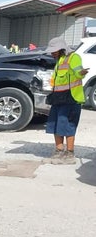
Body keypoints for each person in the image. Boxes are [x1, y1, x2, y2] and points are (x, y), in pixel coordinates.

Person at [45, 36, 89, 164]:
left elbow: (77, 72)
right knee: (55, 125)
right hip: (58, 97)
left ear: (62, 49)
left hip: (71, 98)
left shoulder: (73, 58)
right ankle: (59, 151)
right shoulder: (60, 60)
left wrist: (81, 73)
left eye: (54, 50)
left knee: (68, 125)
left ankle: (69, 154)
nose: (52, 53)